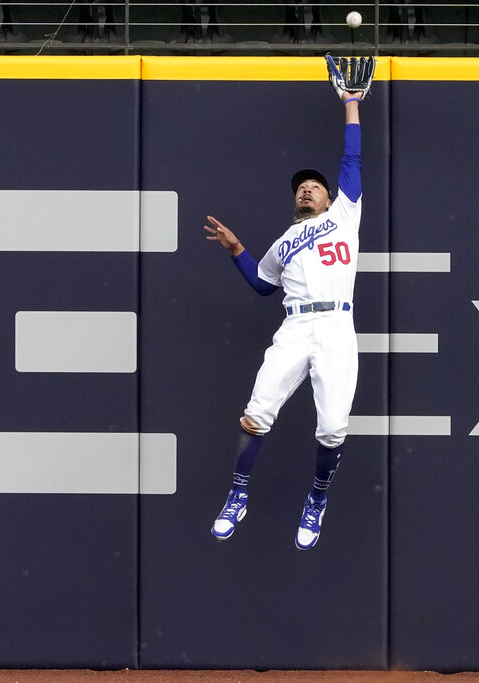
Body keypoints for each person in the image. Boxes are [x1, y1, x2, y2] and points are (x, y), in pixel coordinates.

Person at [203, 78, 366, 550]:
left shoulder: (345, 212)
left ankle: (316, 500)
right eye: (301, 188)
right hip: (296, 326)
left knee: (333, 427)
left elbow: (351, 159)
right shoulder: (281, 243)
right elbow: (262, 285)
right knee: (256, 414)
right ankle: (237, 494)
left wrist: (351, 105)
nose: (307, 190)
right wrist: (237, 250)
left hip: (336, 325)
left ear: (329, 197)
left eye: (314, 186)